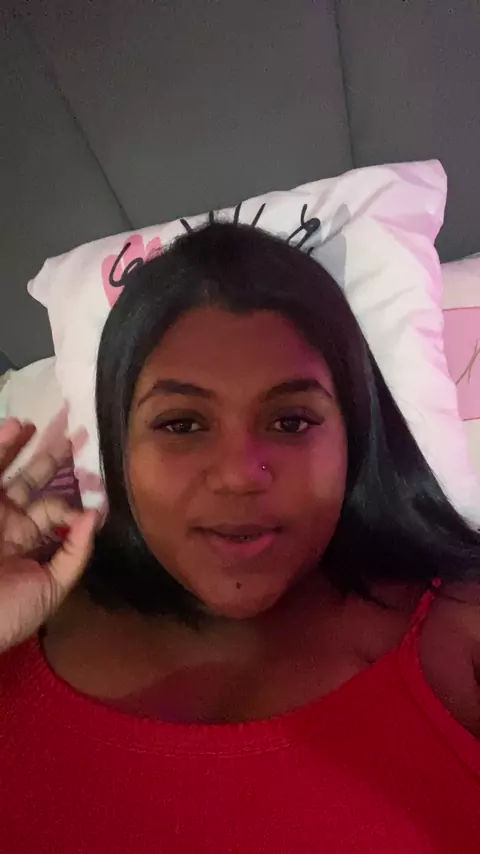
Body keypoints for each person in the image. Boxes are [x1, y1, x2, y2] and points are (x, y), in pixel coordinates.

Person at [1, 222, 480, 853]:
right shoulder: (17, 619)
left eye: (291, 421)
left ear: (354, 434)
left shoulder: (462, 625)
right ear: (120, 449)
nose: (238, 474)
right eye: (181, 424)